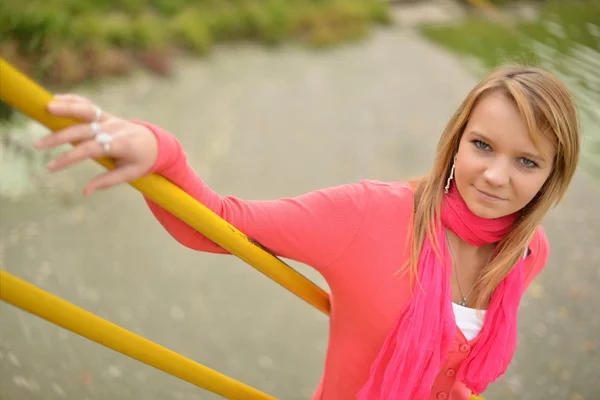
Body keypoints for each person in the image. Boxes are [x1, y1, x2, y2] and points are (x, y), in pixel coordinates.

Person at [35, 65, 581, 399]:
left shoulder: (529, 252)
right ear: (457, 141)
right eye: (482, 146)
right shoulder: (370, 215)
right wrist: (161, 152)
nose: (495, 175)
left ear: (552, 177)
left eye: (526, 162)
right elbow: (221, 224)